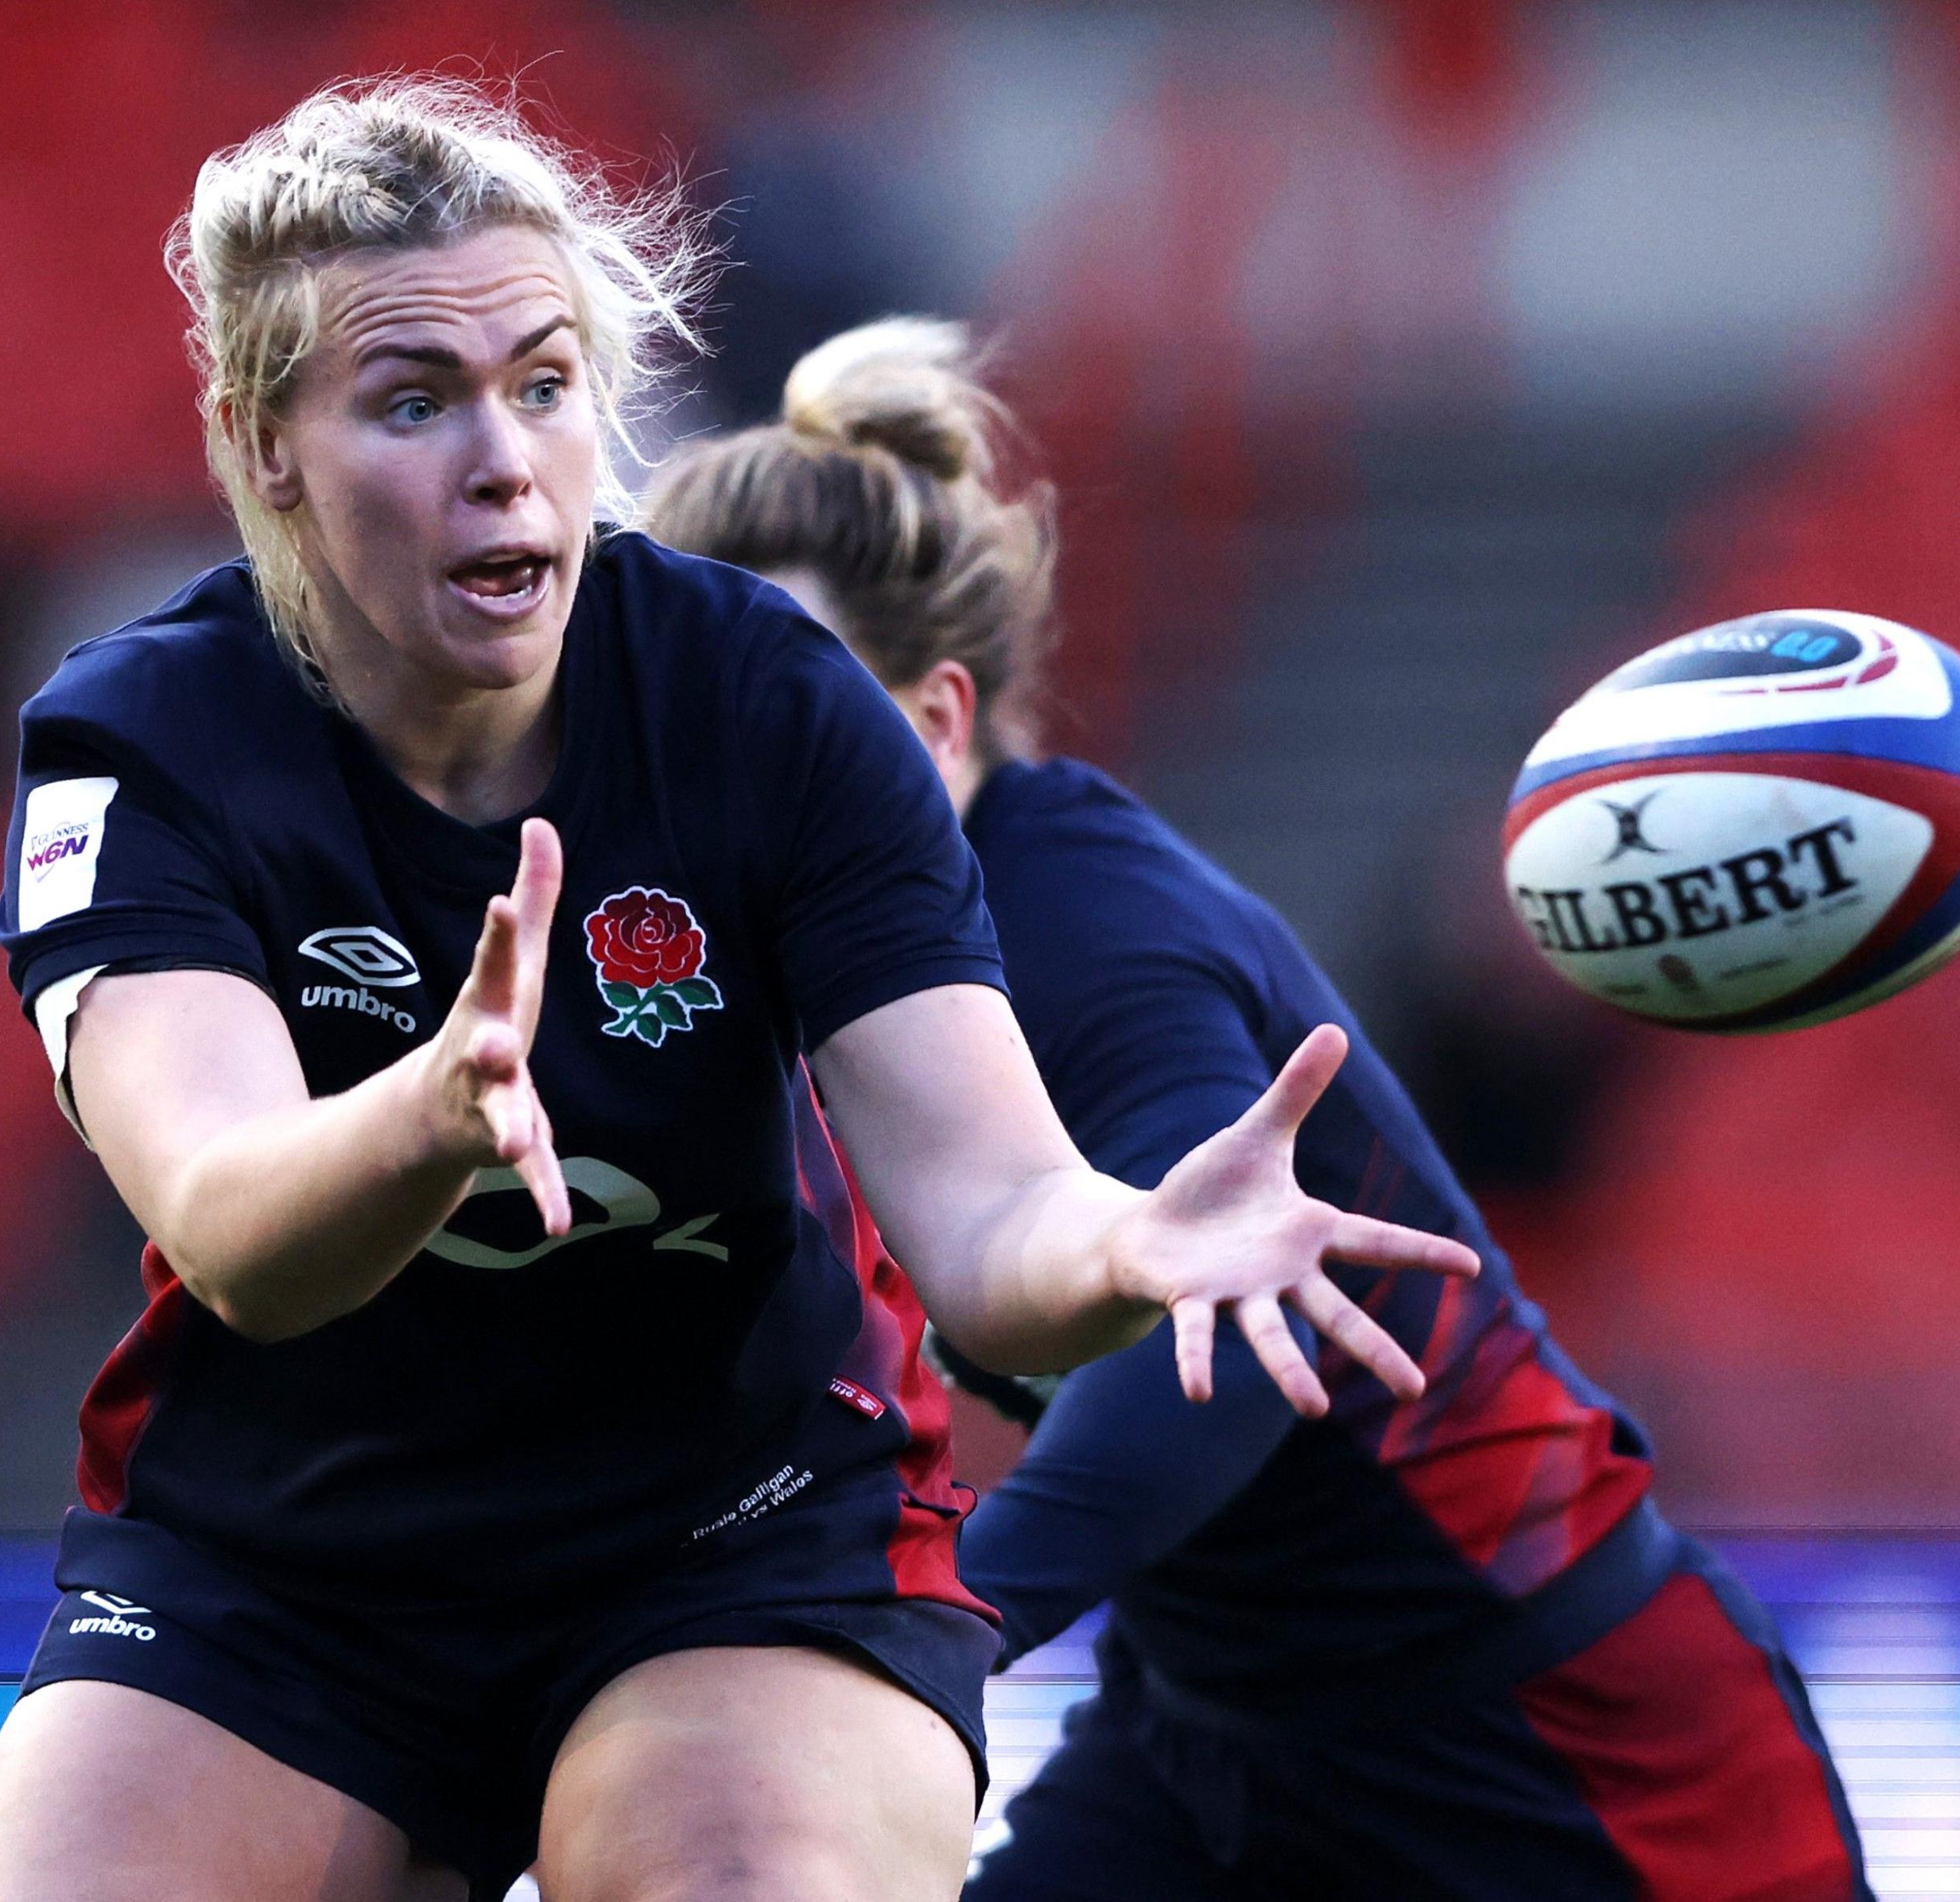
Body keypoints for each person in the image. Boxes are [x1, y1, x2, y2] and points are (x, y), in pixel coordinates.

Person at [0, 80, 1480, 1902]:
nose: (503, 459)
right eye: (413, 399)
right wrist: (431, 1114)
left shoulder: (769, 703)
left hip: (736, 1542)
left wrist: (1124, 1246)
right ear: (263, 442)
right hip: (281, 1571)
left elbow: (990, 1214)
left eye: (544, 381)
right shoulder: (139, 745)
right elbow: (232, 1230)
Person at [648, 318, 1873, 1901]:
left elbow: (1214, 1345)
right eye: (682, 716)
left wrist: (912, 1633)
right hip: (1209, 1733)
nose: (723, 771)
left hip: (1546, 1746)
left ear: (936, 725)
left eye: (788, 713)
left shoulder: (1090, 940)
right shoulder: (771, 974)